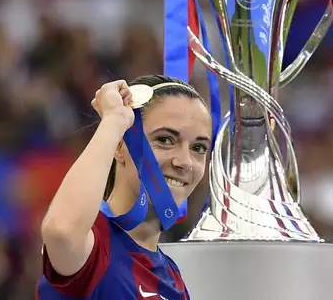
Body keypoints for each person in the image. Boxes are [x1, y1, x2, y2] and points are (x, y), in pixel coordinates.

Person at [36, 75, 212, 300]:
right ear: (120, 145)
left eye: (198, 147)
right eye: (165, 140)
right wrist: (113, 120)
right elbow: (61, 232)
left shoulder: (172, 275)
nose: (185, 161)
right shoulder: (96, 245)